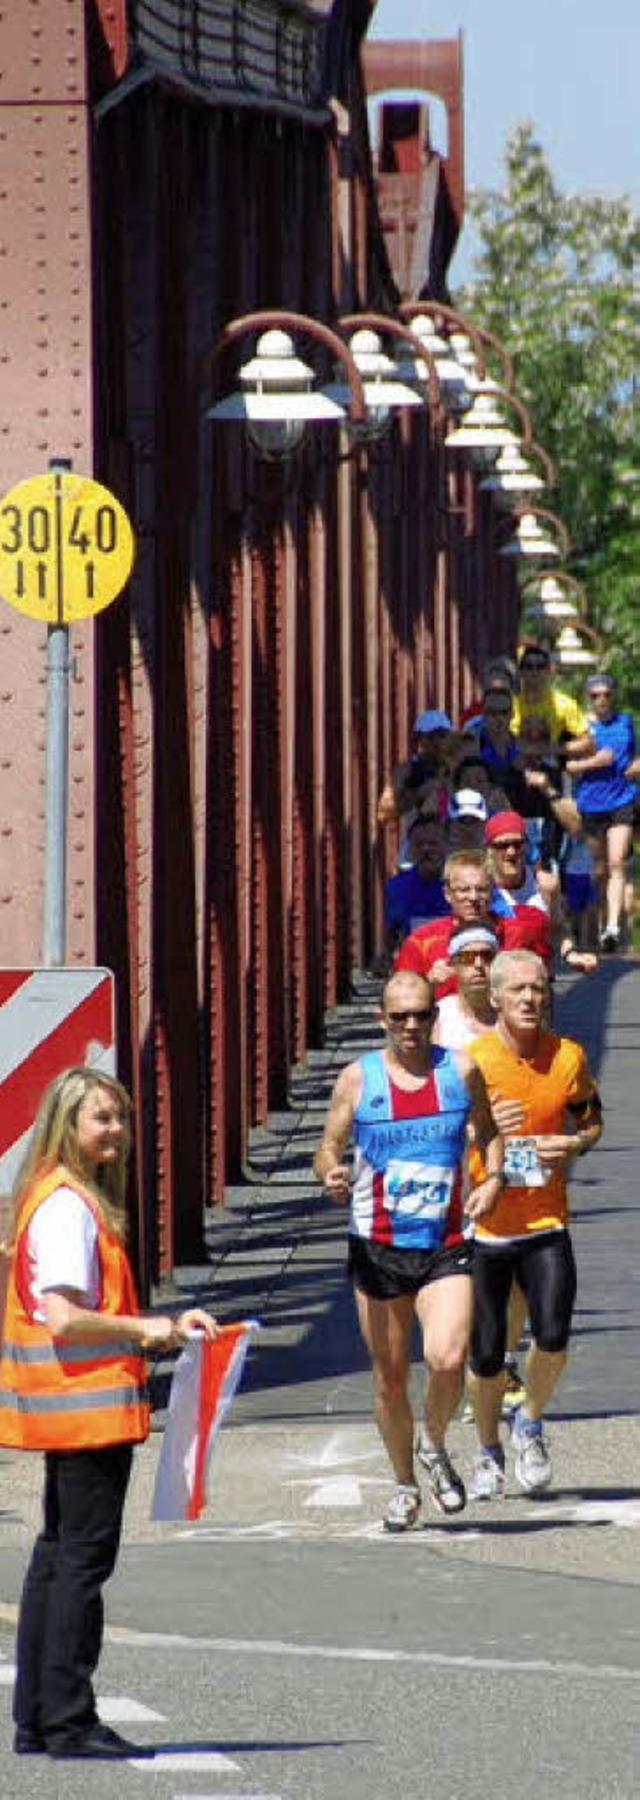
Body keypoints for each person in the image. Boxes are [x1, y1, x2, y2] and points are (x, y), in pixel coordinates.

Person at [0, 1066, 219, 1761]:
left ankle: (38, 1716)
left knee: (57, 1555)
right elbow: (64, 1317)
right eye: (103, 1119)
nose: (118, 1131)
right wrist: (147, 1329)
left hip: (67, 1406)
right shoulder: (69, 1206)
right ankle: (67, 1717)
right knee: (81, 1563)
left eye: (121, 1117)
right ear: (69, 1124)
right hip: (86, 1406)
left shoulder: (54, 1195)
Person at [313, 970, 503, 1532]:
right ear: (383, 1021)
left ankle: (434, 1442)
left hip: (445, 1244)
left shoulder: (461, 1071)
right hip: (378, 1246)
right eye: (401, 1017)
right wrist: (332, 1175)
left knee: (447, 1357)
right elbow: (326, 1149)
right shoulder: (358, 1079)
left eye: (422, 1014)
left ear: (434, 1018)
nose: (413, 1026)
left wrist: (491, 1180)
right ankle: (404, 1486)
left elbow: (490, 1135)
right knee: (390, 1378)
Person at [465, 951, 602, 1500]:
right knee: (487, 1356)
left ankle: (530, 1424)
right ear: (494, 998)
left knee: (553, 1337)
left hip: (546, 1219)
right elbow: (442, 1137)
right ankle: (486, 1449)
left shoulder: (566, 1056)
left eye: (539, 989)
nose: (530, 999)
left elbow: (591, 1119)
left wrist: (573, 1143)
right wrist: (484, 1126)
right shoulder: (472, 1062)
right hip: (487, 1229)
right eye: (518, 990)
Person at [396, 848, 553, 999]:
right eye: (464, 890)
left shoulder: (519, 932)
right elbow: (401, 1001)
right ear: (447, 894)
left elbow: (543, 987)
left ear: (492, 892)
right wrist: (428, 982)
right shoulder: (422, 940)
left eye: (481, 889)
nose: (473, 897)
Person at [566, 672, 637, 952]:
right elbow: (568, 765)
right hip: (591, 803)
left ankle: (612, 928)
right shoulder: (581, 726)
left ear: (613, 695)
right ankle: (599, 921)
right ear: (589, 698)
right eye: (596, 695)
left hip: (623, 799)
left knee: (617, 862)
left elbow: (635, 754)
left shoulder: (626, 722)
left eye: (607, 694)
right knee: (599, 870)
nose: (602, 700)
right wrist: (594, 762)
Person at [485, 810, 596, 975]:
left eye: (518, 844)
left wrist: (570, 954)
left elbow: (557, 928)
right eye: (502, 845)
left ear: (527, 845)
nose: (511, 852)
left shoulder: (546, 885)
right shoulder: (481, 887)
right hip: (496, 981)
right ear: (490, 849)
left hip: (537, 982)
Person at [384, 813, 448, 952]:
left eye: (433, 843)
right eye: (419, 844)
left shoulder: (461, 884)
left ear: (446, 845)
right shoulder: (396, 887)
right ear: (411, 848)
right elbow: (389, 936)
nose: (426, 849)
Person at [431, 924, 499, 1050]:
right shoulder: (440, 1015)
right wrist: (429, 985)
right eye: (468, 957)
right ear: (453, 964)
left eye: (487, 956)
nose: (478, 964)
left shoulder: (510, 1012)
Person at [511, 644, 591, 750]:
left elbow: (587, 742)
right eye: (528, 666)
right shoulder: (508, 705)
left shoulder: (565, 704)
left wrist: (554, 749)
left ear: (548, 670)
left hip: (552, 763)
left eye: (540, 666)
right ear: (520, 671)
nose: (534, 671)